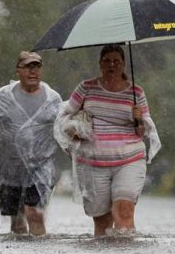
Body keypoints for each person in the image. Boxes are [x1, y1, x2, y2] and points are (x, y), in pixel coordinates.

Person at [54, 44, 161, 236]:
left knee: (124, 211)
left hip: (130, 158)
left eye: (116, 61)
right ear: (100, 64)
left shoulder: (136, 93)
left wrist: (138, 119)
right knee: (102, 222)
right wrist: (72, 130)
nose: (112, 65)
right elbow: (64, 116)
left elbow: (141, 132)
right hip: (92, 161)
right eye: (107, 61)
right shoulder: (86, 87)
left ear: (124, 65)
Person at [0, 51, 62, 236]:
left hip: (40, 167)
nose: (33, 72)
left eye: (37, 67)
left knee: (34, 213)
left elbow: (63, 128)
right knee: (17, 221)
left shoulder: (53, 99)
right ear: (18, 71)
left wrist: (76, 149)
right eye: (28, 67)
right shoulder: (4, 96)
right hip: (11, 169)